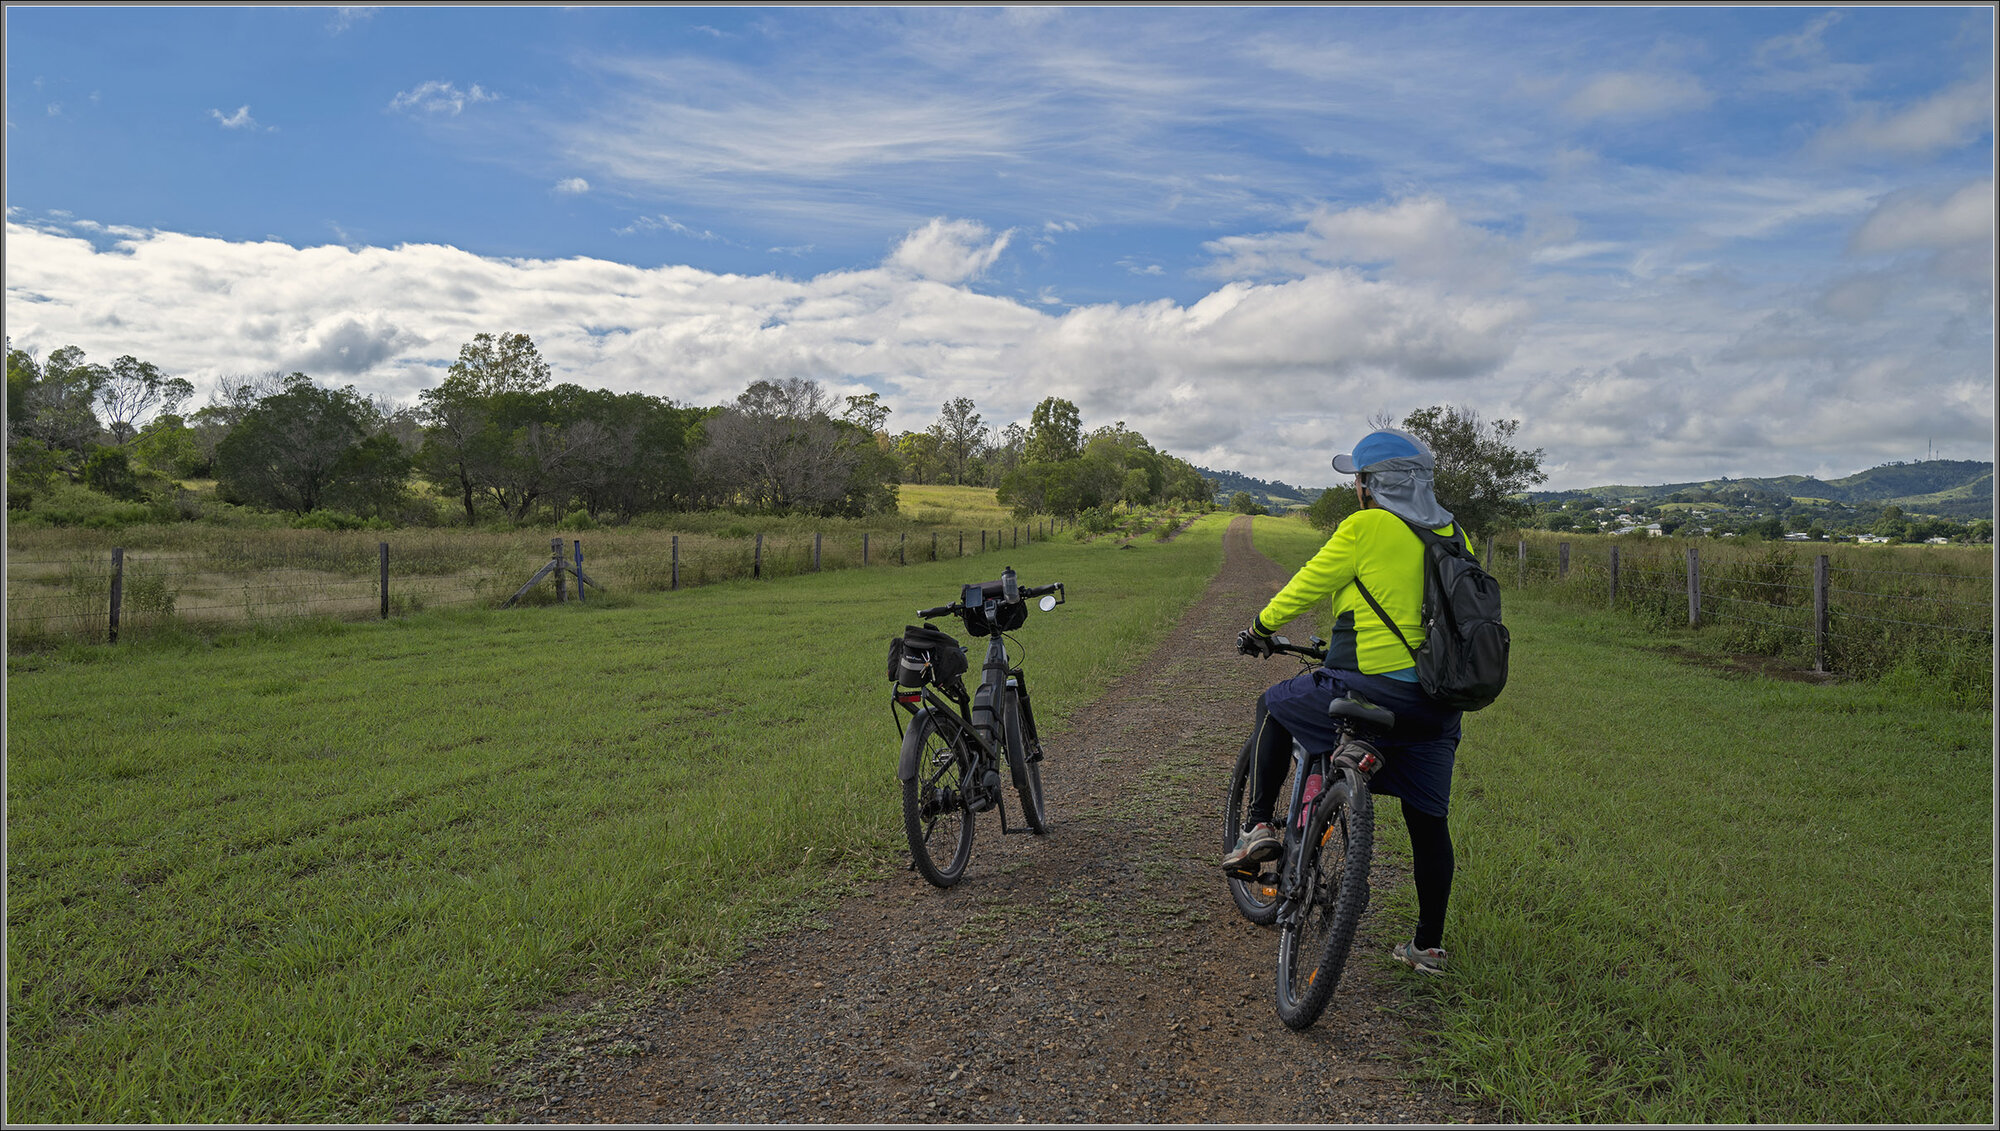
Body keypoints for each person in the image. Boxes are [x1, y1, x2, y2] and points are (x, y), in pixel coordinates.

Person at [1223, 426, 1463, 976]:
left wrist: (1260, 627)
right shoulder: (1453, 533)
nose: (1356, 487)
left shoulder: (1367, 526)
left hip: (1366, 687)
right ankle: (1427, 947)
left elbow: (1307, 583)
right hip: (1436, 706)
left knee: (1273, 703)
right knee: (1429, 822)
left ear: (1370, 485)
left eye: (1358, 477)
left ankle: (1259, 825)